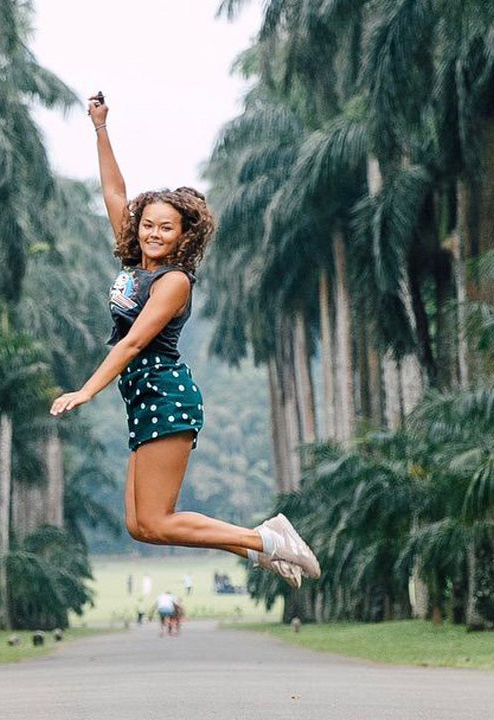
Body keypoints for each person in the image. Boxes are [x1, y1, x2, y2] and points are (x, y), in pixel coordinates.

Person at [49, 92, 319, 590]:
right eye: (147, 225)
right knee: (141, 526)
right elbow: (115, 192)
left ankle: (266, 540)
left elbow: (132, 345)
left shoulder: (173, 281)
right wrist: (100, 128)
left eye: (165, 228)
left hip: (165, 395)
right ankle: (258, 546)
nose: (153, 233)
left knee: (158, 519)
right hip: (143, 398)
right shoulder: (134, 264)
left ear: (182, 236)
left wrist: (86, 391)